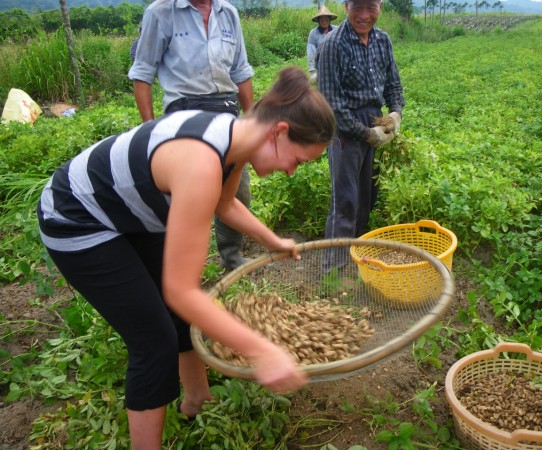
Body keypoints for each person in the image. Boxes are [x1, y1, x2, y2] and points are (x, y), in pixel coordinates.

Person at [37, 67, 335, 450]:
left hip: (128, 211)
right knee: (153, 340)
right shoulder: (200, 163)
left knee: (178, 314)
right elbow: (181, 291)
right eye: (298, 160)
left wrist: (271, 239)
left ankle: (196, 398)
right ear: (278, 132)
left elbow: (224, 204)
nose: (292, 172)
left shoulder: (235, 137)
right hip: (76, 218)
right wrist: (263, 350)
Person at [128, 0, 254, 270]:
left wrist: (252, 122)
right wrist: (150, 130)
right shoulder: (160, 13)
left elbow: (241, 72)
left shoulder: (228, 13)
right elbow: (142, 75)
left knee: (237, 190)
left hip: (225, 110)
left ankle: (231, 256)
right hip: (184, 113)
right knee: (187, 196)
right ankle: (180, 267)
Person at [316, 0, 404, 272]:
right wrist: (367, 133)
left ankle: (355, 259)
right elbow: (333, 105)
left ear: (380, 7)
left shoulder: (383, 40)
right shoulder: (332, 45)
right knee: (345, 200)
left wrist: (395, 114)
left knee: (366, 197)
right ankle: (333, 269)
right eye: (358, 7)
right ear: (346, 6)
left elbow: (393, 83)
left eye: (371, 7)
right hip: (345, 129)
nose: (364, 15)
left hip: (374, 120)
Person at [306, 5, 338, 83]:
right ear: (318, 21)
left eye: (326, 19)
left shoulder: (336, 30)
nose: (324, 22)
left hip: (336, 63)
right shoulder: (313, 33)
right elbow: (311, 53)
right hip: (321, 65)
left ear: (330, 19)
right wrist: (312, 71)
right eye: (322, 20)